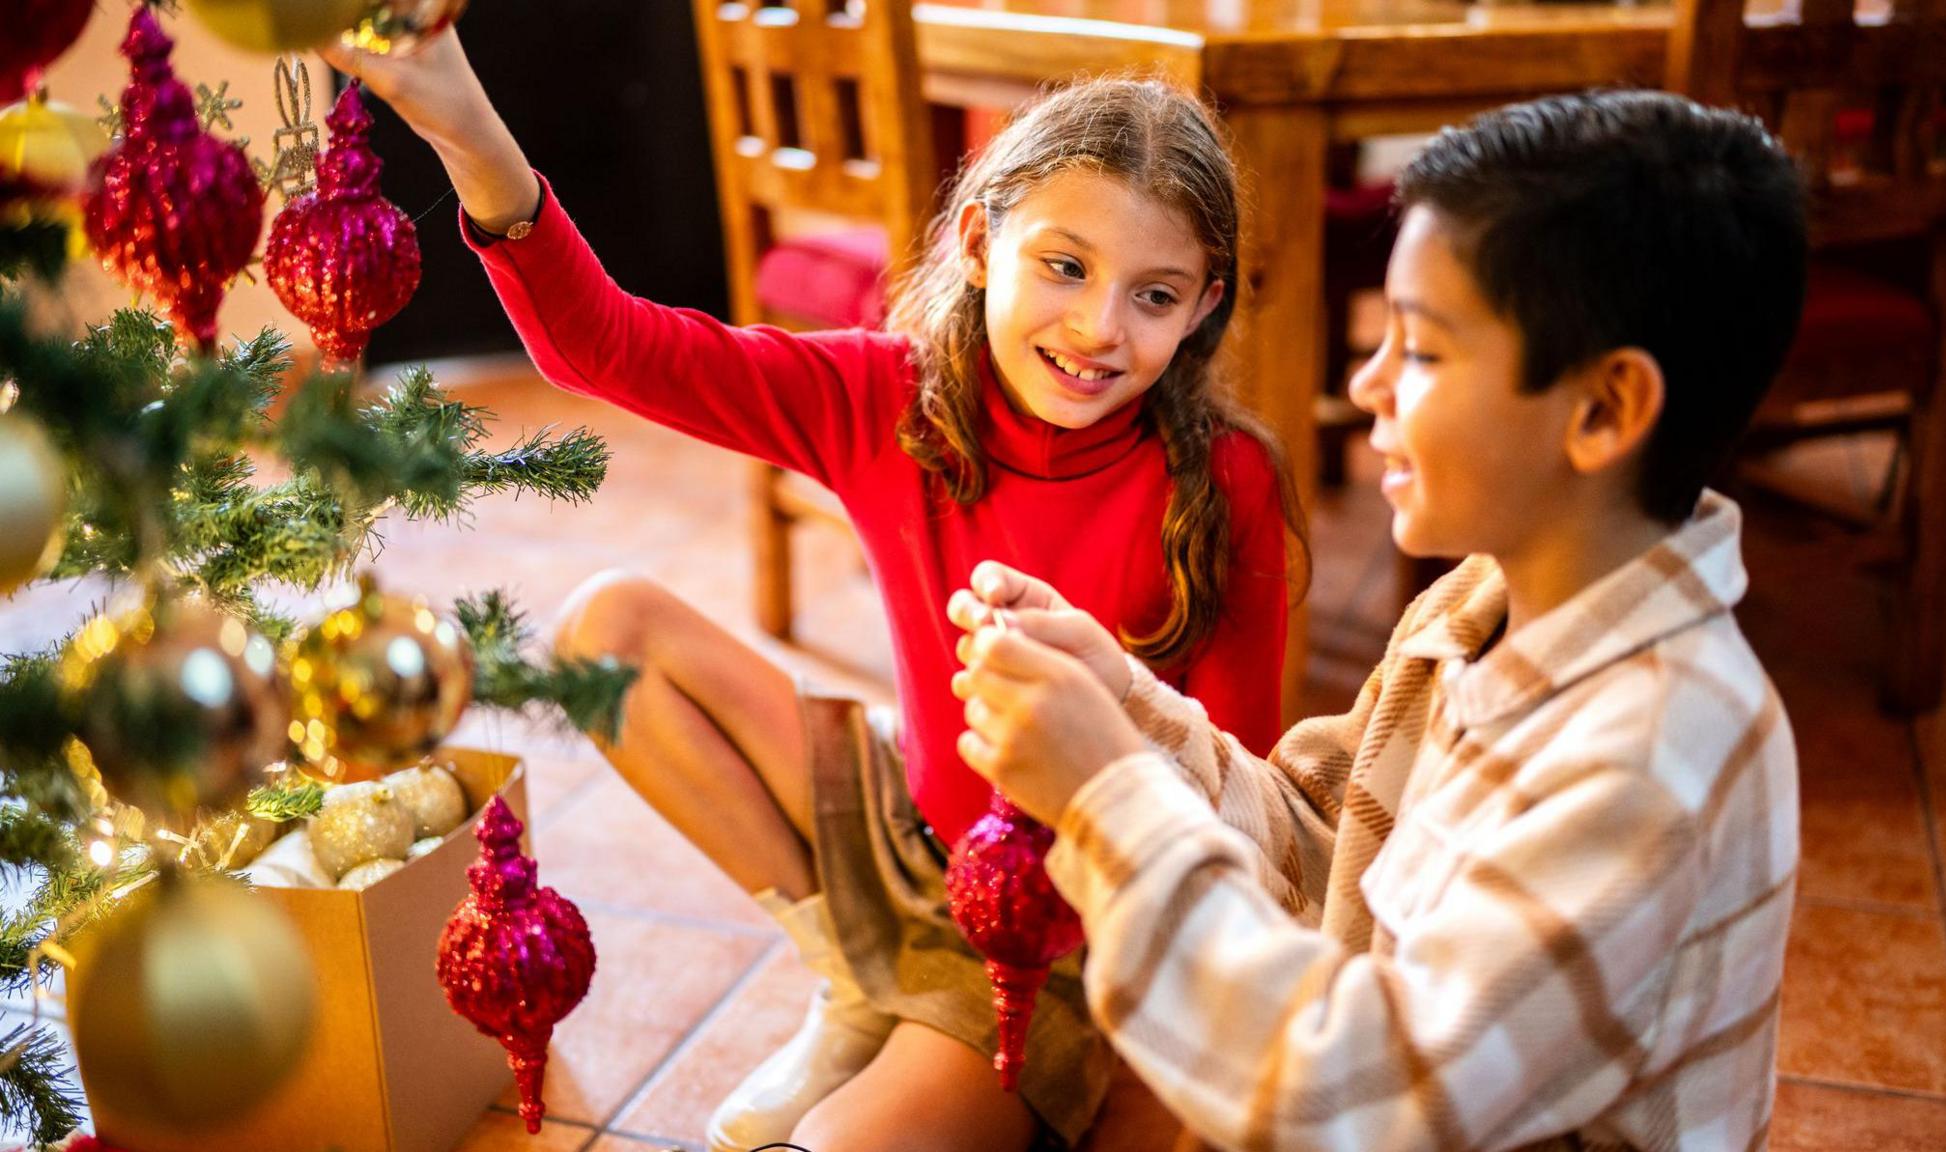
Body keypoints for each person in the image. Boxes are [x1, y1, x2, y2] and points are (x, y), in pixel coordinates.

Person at [330, 37, 1302, 1152]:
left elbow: (1240, 799)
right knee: (610, 629)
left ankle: (932, 1026)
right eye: (1065, 266)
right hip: (908, 832)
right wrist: (463, 123)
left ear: (1202, 305)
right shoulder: (893, 393)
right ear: (980, 242)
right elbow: (605, 347)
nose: (1097, 329)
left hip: (1055, 939)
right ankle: (852, 982)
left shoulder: (1223, 479)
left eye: (1154, 294)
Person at [951, 89, 1806, 1150]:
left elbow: (1362, 1102)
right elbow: (1320, 840)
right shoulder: (1477, 606)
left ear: (1600, 412)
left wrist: (1103, 796)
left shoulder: (1652, 754)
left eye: (1421, 350)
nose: (1365, 384)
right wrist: (1120, 706)